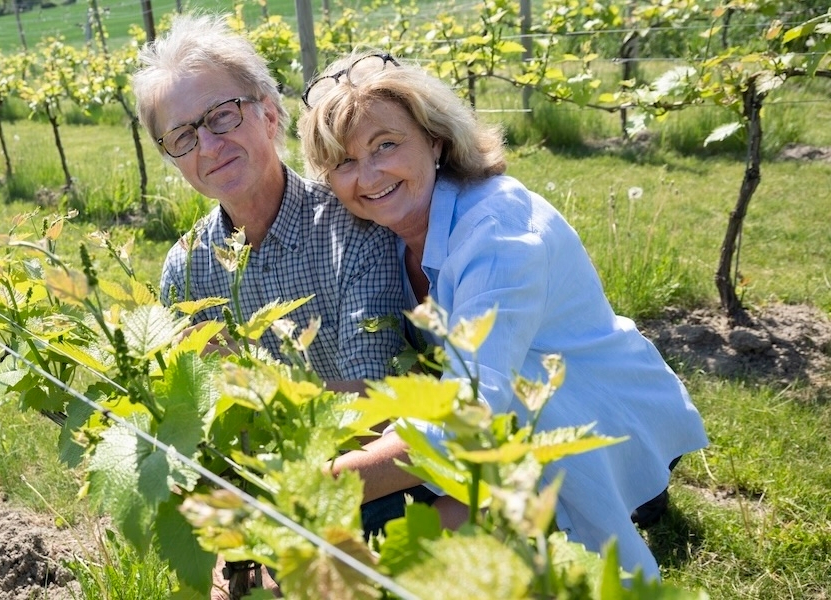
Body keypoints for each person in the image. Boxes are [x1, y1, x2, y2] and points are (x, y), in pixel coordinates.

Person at [297, 51, 709, 579]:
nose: (369, 174)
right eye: (344, 162)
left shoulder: (498, 234)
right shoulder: (386, 234)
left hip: (596, 413)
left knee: (396, 548)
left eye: (386, 145)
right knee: (386, 532)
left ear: (435, 140)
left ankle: (634, 490)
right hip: (509, 418)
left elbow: (467, 416)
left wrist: (314, 488)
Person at [132, 15, 408, 393]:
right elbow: (187, 401)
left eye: (222, 116)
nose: (208, 147)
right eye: (182, 136)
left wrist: (256, 385)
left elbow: (375, 401)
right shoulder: (186, 270)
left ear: (270, 116)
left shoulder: (355, 233)